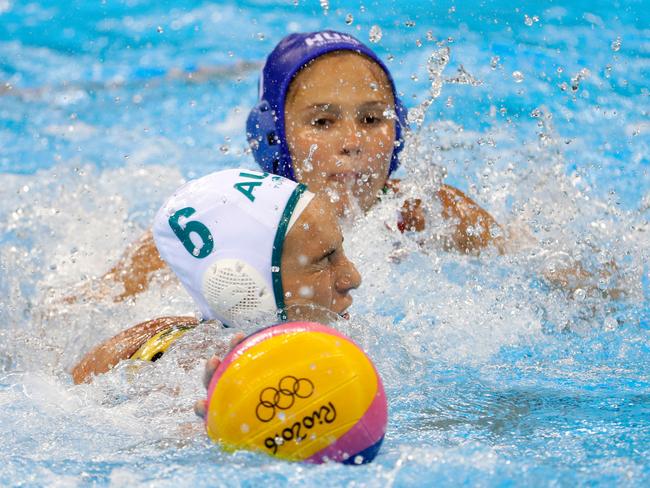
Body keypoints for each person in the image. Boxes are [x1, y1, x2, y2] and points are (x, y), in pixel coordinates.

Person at [64, 30, 501, 305]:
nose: (353, 143)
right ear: (275, 139)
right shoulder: (226, 220)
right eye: (323, 122)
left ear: (399, 131)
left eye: (372, 119)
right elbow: (85, 316)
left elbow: (546, 272)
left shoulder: (421, 210)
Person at [71, 168, 361, 384]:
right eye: (324, 260)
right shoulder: (161, 377)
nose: (352, 278)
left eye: (341, 250)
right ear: (246, 291)